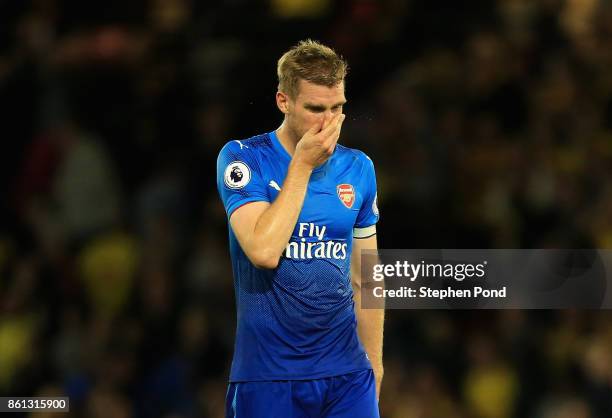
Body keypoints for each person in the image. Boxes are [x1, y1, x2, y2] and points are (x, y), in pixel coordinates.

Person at [216, 39, 383, 418]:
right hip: (268, 376)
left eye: (337, 108)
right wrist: (303, 166)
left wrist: (375, 366)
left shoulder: (358, 168)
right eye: (315, 109)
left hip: (348, 376)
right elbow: (262, 251)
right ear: (284, 102)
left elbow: (366, 276)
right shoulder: (244, 159)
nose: (328, 122)